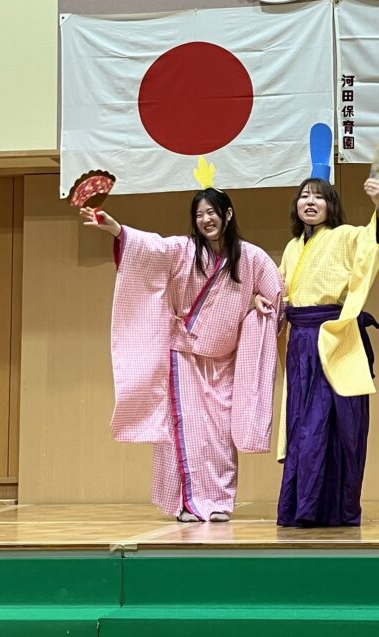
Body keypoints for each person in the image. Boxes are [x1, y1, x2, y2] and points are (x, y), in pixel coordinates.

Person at [80, 183, 284, 522]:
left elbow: (276, 294)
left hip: (225, 359)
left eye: (212, 212)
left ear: (228, 214)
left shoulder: (251, 257)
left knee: (220, 436)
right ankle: (186, 504)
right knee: (185, 430)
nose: (206, 220)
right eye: (199, 214)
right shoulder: (184, 250)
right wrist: (115, 229)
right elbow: (151, 249)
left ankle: (219, 501)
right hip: (185, 354)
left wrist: (257, 302)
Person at [276, 175, 379, 527]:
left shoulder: (343, 236)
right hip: (300, 345)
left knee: (334, 425)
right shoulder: (292, 247)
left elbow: (373, 240)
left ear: (331, 205)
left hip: (333, 340)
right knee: (303, 424)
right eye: (304, 196)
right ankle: (302, 506)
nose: (310, 202)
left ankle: (334, 508)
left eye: (319, 197)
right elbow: (279, 291)